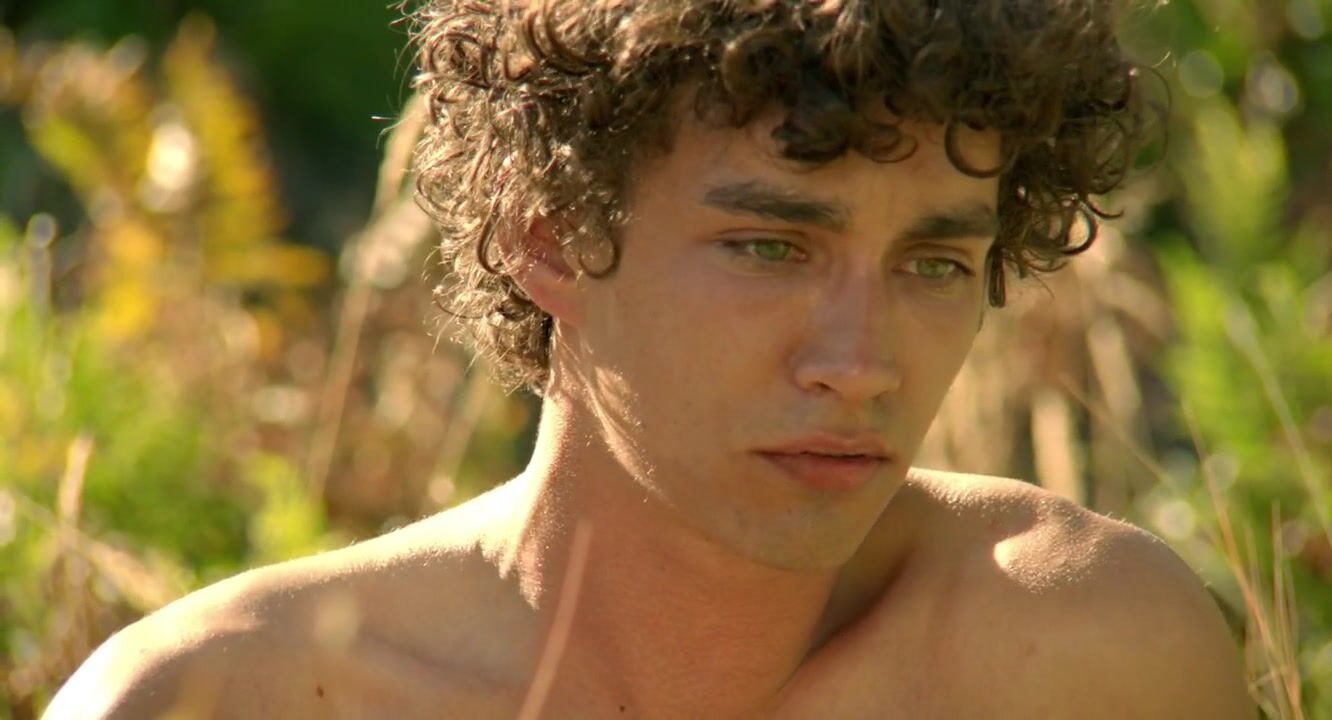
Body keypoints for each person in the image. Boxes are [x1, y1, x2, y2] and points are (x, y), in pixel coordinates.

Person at [48, 1, 1251, 718]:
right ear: (548, 235)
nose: (860, 364)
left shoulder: (1089, 651)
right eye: (771, 247)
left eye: (933, 264)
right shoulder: (230, 702)